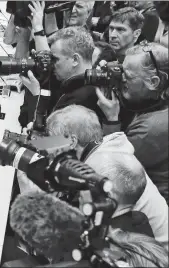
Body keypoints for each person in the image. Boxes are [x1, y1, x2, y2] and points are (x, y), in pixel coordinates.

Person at [45, 105, 168, 249]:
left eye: (54, 142)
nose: (51, 150)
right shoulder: (109, 147)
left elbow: (76, 233)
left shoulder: (99, 173)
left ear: (72, 141)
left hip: (151, 256)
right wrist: (36, 142)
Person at [96, 42, 169, 204]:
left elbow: (109, 169)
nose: (120, 79)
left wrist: (111, 119)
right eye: (119, 70)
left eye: (127, 75)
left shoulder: (151, 129)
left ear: (153, 82)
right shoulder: (152, 102)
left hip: (146, 212)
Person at [19, 26, 105, 128]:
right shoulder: (71, 83)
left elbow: (46, 139)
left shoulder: (81, 100)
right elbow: (24, 117)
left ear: (75, 60)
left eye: (55, 59)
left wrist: (36, 96)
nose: (51, 64)